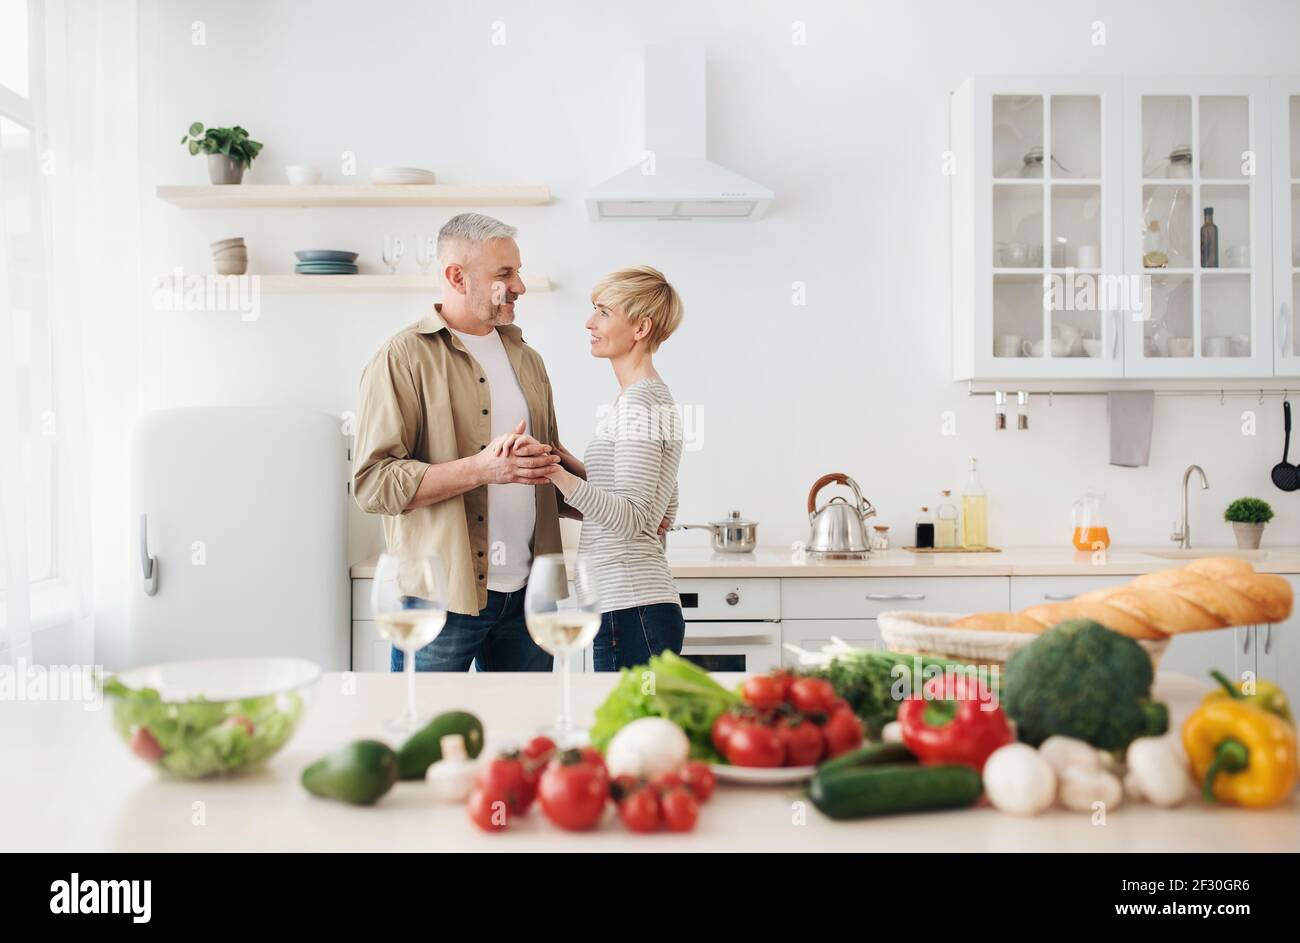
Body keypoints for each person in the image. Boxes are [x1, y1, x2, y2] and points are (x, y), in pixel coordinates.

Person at [351, 212, 564, 671]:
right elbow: (372, 484)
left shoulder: (529, 360)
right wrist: (482, 469)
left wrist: (629, 500)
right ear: (456, 277)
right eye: (505, 274)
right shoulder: (402, 358)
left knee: (525, 735)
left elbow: (550, 467)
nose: (520, 286)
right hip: (441, 598)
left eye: (519, 271)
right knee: (424, 734)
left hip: (528, 597)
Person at [539, 266, 685, 671]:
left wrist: (556, 474)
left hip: (632, 607)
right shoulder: (648, 398)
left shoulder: (639, 404)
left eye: (603, 312)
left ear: (641, 327)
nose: (590, 322)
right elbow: (663, 507)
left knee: (632, 733)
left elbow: (637, 517)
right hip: (637, 608)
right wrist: (565, 460)